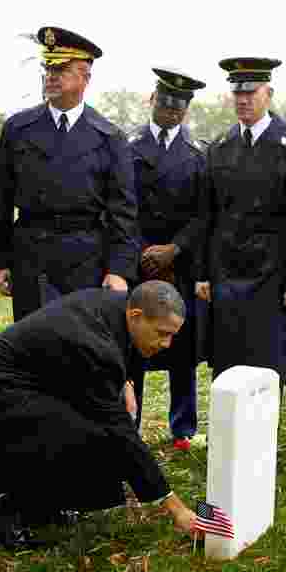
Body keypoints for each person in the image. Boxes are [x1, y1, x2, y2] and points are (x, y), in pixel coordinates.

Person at [0, 281, 199, 550]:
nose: (167, 343)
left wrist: (123, 380)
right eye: (162, 333)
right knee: (92, 434)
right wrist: (176, 507)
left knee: (91, 430)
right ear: (136, 315)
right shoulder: (94, 345)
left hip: (27, 385)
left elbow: (110, 351)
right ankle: (7, 512)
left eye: (172, 335)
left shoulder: (117, 307)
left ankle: (44, 504)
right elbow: (119, 431)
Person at [0, 26, 138, 322]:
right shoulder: (18, 128)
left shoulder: (110, 137)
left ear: (86, 77)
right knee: (32, 348)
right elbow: (0, 197)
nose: (51, 76)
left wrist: (119, 270)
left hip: (85, 261)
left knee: (79, 347)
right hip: (31, 258)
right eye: (48, 67)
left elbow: (123, 212)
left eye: (62, 69)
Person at [195, 57, 286, 390]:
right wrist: (203, 274)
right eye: (237, 93)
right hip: (227, 274)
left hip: (272, 276)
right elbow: (209, 216)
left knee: (268, 362)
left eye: (251, 92)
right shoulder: (219, 148)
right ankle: (227, 440)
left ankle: (263, 441)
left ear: (269, 93)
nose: (243, 99)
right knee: (227, 360)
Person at [127, 67, 208, 450]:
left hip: (182, 262)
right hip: (138, 262)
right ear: (152, 100)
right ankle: (131, 425)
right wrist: (146, 253)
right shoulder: (126, 148)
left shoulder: (198, 154)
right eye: (165, 102)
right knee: (135, 344)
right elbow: (121, 207)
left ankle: (184, 429)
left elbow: (204, 214)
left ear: (186, 110)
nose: (171, 110)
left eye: (180, 105)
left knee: (182, 347)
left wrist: (174, 250)